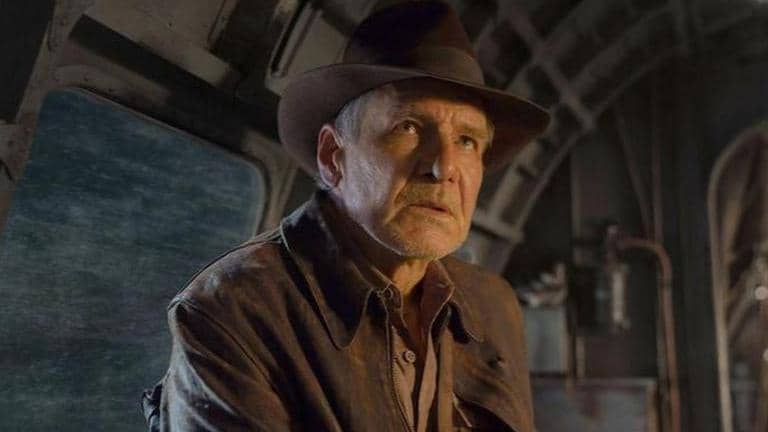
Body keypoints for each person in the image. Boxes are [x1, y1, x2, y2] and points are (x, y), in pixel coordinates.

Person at [142, 1, 550, 431]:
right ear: (333, 156)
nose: (444, 167)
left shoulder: (493, 303)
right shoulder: (233, 312)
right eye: (409, 127)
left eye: (467, 141)